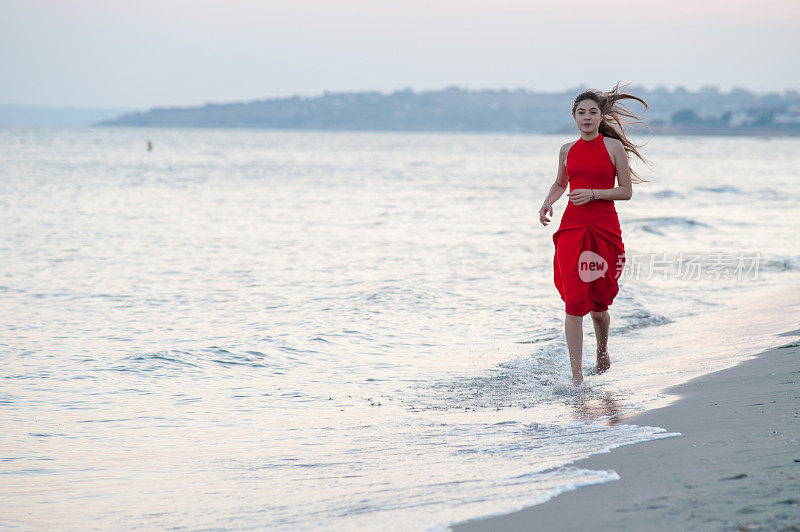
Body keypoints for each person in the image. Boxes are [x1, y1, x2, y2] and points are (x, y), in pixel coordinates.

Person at [539, 82, 649, 386]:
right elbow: (561, 184)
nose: (586, 117)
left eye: (592, 112)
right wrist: (548, 201)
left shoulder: (613, 148)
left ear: (601, 116)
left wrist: (592, 193)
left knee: (599, 306)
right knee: (574, 302)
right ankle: (577, 378)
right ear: (574, 117)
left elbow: (625, 192)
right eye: (580, 112)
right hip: (572, 229)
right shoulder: (566, 150)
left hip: (604, 229)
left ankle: (602, 349)